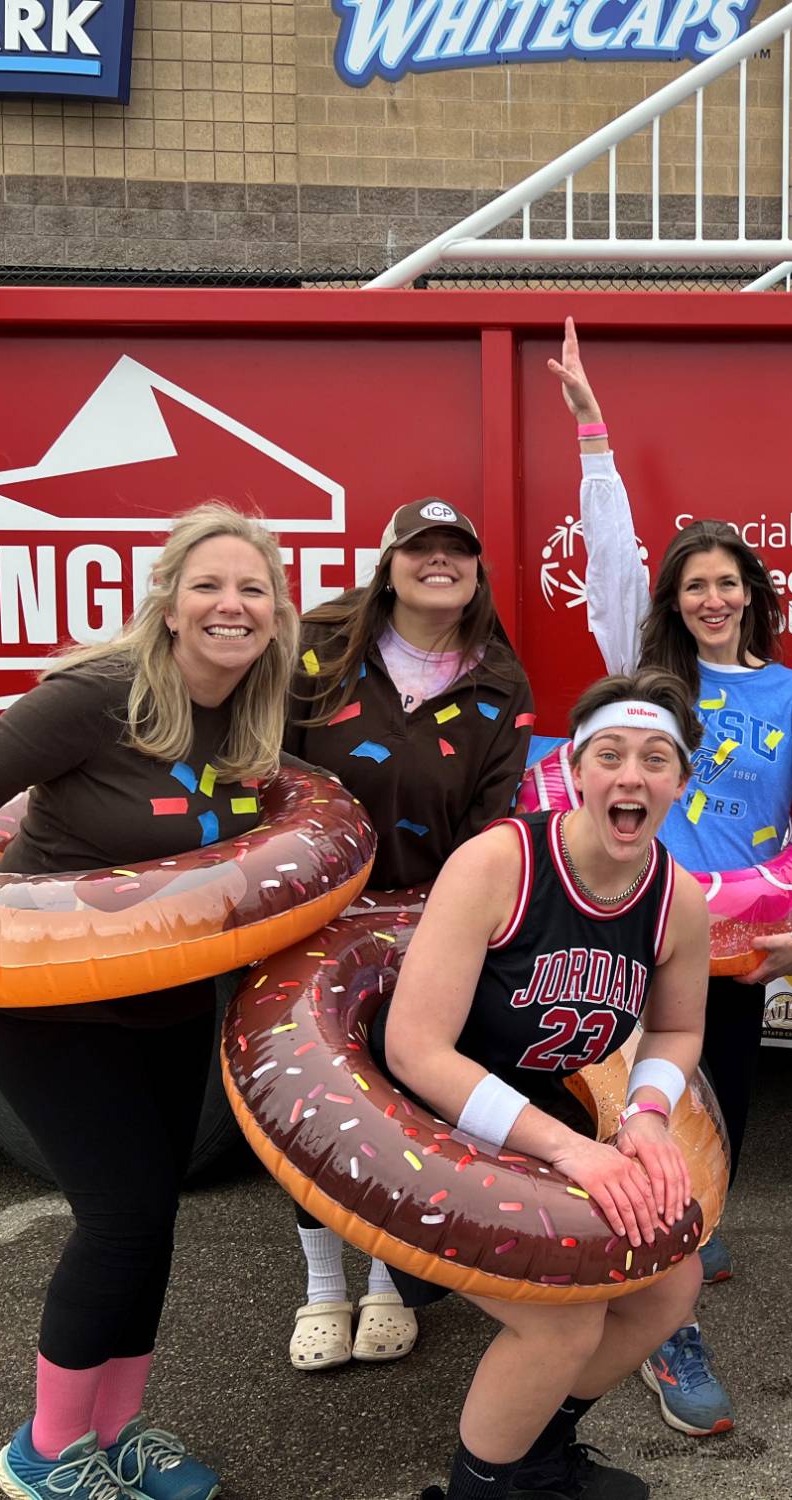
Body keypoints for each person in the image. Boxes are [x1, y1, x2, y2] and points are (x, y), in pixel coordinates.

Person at [0, 502, 301, 1500]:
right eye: (209, 585)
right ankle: (46, 1454)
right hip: (49, 1007)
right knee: (122, 1218)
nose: (230, 604)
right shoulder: (98, 697)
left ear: (276, 612)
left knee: (153, 1221)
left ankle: (117, 1430)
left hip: (168, 1000)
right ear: (171, 602)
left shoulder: (256, 712)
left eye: (251, 589)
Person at [547, 319, 792, 1437]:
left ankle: (686, 1222)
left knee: (716, 1108)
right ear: (675, 598)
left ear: (752, 594)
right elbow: (611, 563)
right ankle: (659, 1314)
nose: (709, 598)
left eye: (727, 583)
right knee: (626, 1122)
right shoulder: (645, 679)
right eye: (693, 584)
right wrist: (593, 432)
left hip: (729, 947)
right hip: (623, 930)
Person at [379, 669, 712, 1500]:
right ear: (576, 767)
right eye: (611, 754)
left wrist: (645, 1115)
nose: (631, 775)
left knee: (671, 1283)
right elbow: (416, 1049)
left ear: (680, 780)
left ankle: (534, 1456)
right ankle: (479, 1489)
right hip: (425, 1133)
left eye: (656, 758)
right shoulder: (500, 862)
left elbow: (675, 1030)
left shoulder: (679, 900)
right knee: (563, 1315)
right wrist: (571, 1149)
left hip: (537, 1124)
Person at [281, 496, 534, 1373]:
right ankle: (321, 1285)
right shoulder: (314, 646)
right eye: (419, 548)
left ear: (475, 572)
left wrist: (455, 918)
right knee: (313, 1108)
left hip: (430, 921)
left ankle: (388, 1278)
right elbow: (268, 770)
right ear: (387, 563)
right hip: (309, 918)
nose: (439, 562)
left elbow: (496, 816)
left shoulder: (500, 680)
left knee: (400, 1103)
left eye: (456, 550)